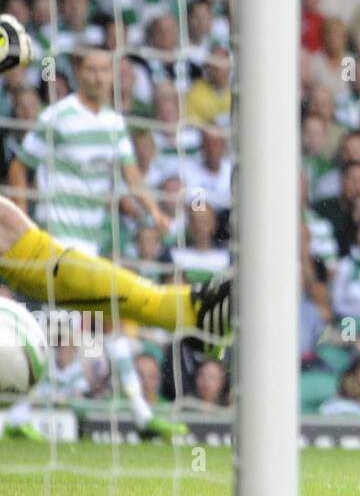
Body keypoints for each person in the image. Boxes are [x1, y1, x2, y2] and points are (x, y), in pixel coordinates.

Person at [0, 34, 230, 438]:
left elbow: (131, 175)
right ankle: (22, 418)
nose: (99, 76)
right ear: (79, 73)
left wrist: (154, 211)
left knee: (94, 325)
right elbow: (20, 166)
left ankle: (136, 415)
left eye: (105, 69)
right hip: (54, 240)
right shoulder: (58, 117)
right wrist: (22, 218)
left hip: (90, 240)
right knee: (57, 328)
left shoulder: (114, 123)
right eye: (91, 68)